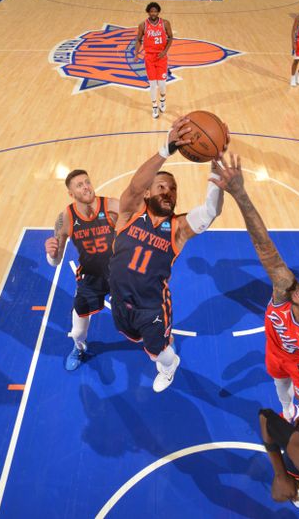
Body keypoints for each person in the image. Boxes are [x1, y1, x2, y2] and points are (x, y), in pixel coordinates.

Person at [211, 154, 299, 423]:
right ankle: (287, 409)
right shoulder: (284, 289)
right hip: (274, 352)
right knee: (279, 387)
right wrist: (240, 193)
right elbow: (264, 244)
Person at [108, 117, 225, 393]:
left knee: (159, 351)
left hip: (152, 309)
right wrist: (165, 150)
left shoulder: (178, 229)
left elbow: (210, 212)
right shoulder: (128, 214)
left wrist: (216, 173)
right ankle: (162, 351)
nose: (168, 191)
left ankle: (169, 366)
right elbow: (135, 187)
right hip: (119, 299)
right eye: (161, 186)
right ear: (148, 192)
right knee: (130, 336)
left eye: (172, 189)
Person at [44, 170, 119, 371]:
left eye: (87, 182)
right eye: (79, 185)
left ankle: (162, 341)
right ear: (71, 193)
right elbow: (56, 261)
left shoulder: (112, 206)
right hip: (91, 278)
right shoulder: (65, 219)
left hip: (119, 274)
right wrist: (50, 254)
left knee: (145, 314)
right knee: (77, 332)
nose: (86, 187)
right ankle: (79, 348)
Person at [135, 2, 172, 119]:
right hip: (149, 57)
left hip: (161, 57)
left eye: (155, 11)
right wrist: (136, 53)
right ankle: (155, 107)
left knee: (161, 84)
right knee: (152, 84)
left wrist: (165, 51)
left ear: (158, 12)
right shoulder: (143, 25)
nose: (153, 13)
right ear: (148, 12)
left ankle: (162, 99)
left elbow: (170, 37)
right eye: (151, 11)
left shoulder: (165, 23)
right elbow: (138, 39)